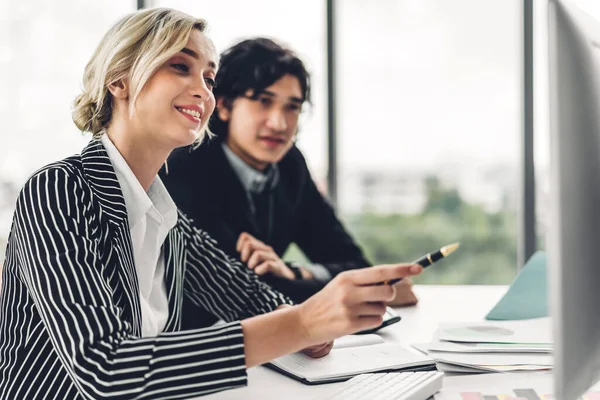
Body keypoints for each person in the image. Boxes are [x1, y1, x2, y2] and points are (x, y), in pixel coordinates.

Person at [0, 8, 423, 399]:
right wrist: (302, 323)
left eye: (208, 77)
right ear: (120, 80)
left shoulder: (164, 216)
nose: (202, 91)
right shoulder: (58, 190)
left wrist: (308, 323)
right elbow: (104, 368)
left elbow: (245, 295)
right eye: (180, 67)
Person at [160, 38, 419, 309]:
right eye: (263, 101)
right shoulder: (186, 165)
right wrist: (362, 290)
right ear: (224, 105)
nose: (279, 123)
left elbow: (353, 263)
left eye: (292, 107)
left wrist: (295, 273)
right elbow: (243, 290)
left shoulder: (289, 165)